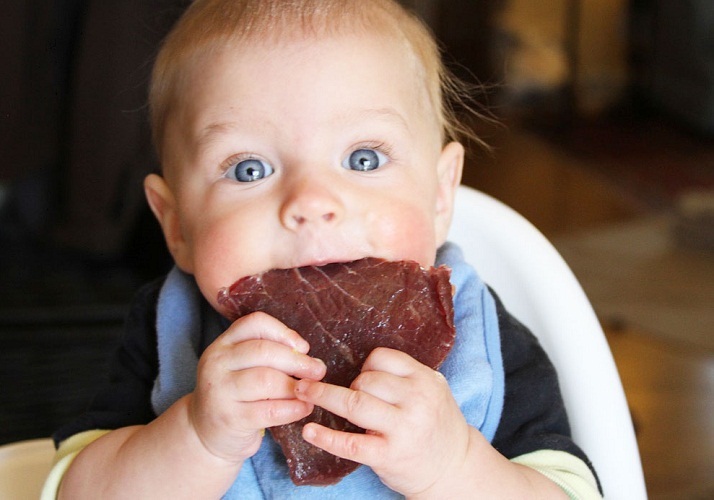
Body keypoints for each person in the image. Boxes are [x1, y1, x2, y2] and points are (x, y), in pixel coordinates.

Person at [43, 0, 602, 498]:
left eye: (364, 159)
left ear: (439, 195)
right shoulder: (172, 331)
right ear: (178, 226)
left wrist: (451, 467)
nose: (312, 201)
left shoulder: (484, 339)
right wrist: (195, 438)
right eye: (248, 168)